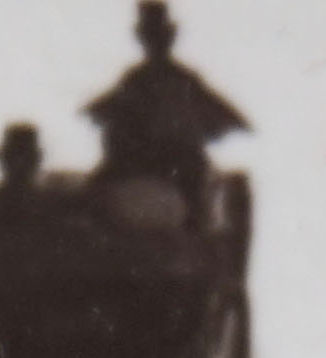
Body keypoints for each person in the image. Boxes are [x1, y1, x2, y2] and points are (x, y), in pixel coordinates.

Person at [80, 0, 247, 218]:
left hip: (176, 163)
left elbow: (223, 115)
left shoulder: (181, 80)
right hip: (146, 161)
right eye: (151, 37)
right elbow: (106, 109)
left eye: (157, 36)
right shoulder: (138, 79)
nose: (154, 43)